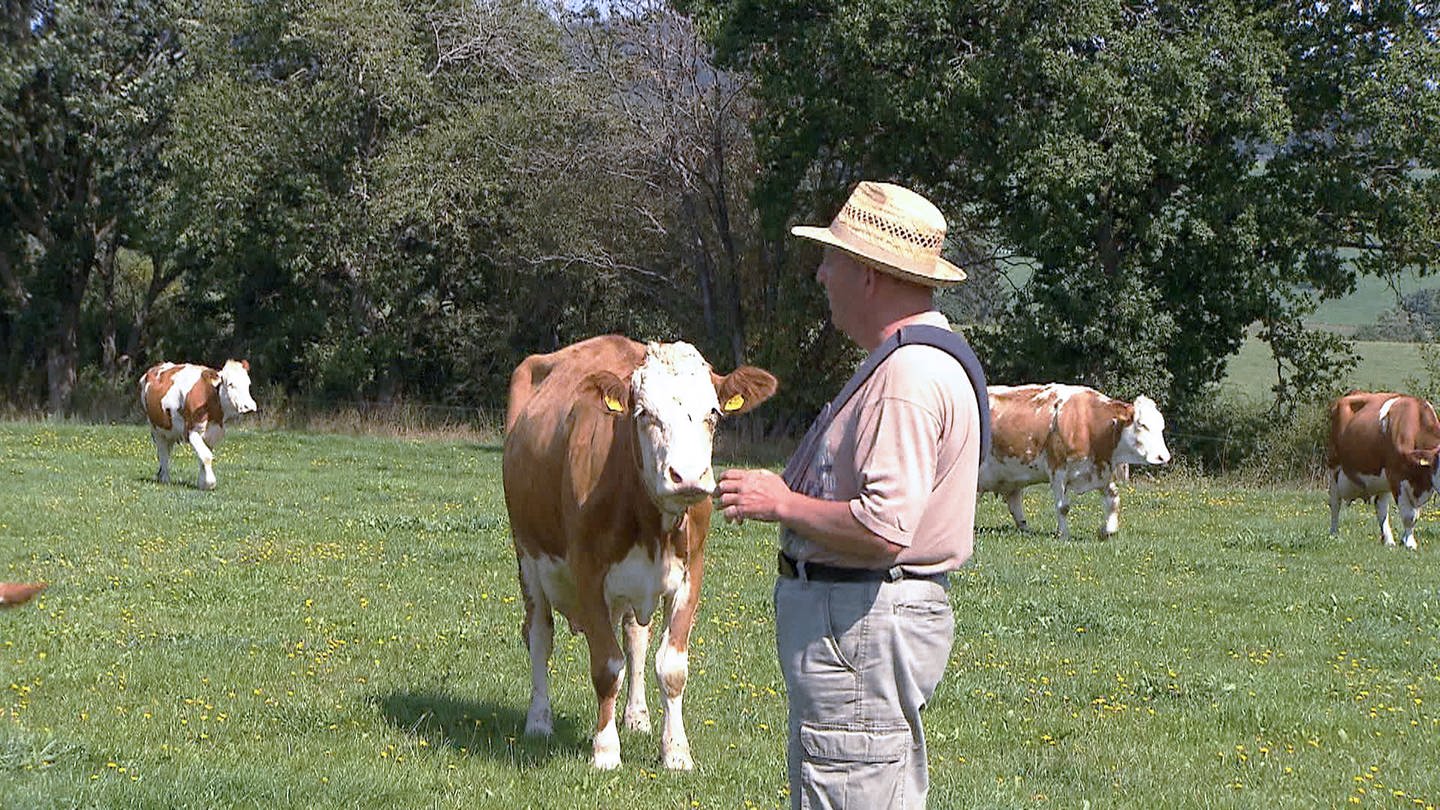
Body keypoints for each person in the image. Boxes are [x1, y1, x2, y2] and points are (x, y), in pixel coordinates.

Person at [717, 181, 985, 809]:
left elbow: (884, 527)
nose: (820, 275)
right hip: (862, 624)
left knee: (847, 791)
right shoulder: (917, 362)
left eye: (832, 259)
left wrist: (778, 502)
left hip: (858, 627)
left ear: (868, 275)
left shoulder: (907, 378)